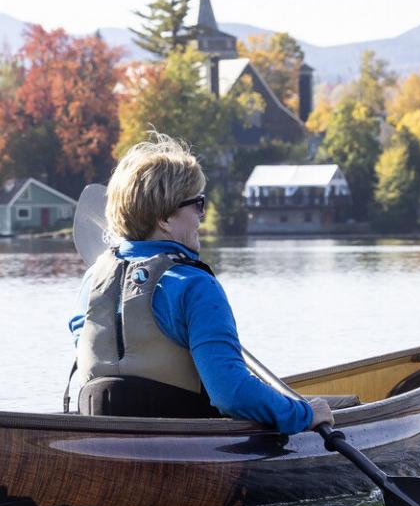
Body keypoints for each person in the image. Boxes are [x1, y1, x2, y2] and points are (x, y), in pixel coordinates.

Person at [69, 134, 332, 434]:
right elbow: (231, 394)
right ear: (165, 218)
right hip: (181, 446)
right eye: (197, 205)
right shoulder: (193, 285)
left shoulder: (92, 281)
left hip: (97, 442)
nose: (202, 216)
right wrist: (303, 414)